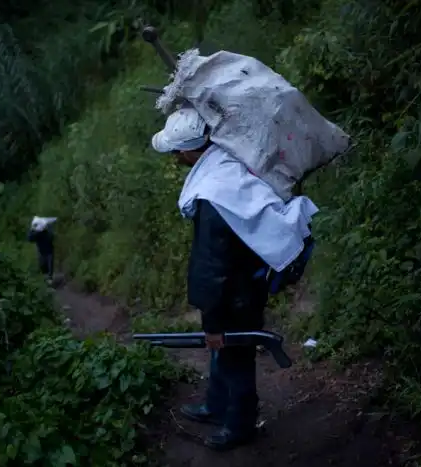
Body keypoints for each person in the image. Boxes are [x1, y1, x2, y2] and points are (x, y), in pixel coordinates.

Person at [152, 107, 317, 451]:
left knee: (233, 356)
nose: (174, 158)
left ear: (188, 151)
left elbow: (212, 267)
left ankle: (240, 425)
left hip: (236, 290)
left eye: (176, 152)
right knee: (223, 352)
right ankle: (216, 405)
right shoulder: (227, 164)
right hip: (246, 280)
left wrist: (211, 321)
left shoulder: (213, 196)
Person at [27, 217, 56, 284]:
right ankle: (45, 281)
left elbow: (51, 237)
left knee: (50, 266)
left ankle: (49, 279)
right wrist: (32, 229)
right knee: (42, 266)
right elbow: (29, 239)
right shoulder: (37, 233)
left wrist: (48, 227)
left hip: (49, 252)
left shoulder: (47, 232)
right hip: (41, 252)